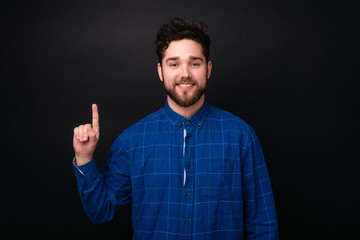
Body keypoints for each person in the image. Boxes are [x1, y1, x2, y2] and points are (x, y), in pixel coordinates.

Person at [73, 17, 279, 240]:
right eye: (174, 64)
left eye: (195, 63)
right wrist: (84, 158)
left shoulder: (241, 137)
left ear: (208, 69)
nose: (185, 73)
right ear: (160, 71)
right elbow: (100, 211)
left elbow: (263, 226)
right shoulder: (131, 141)